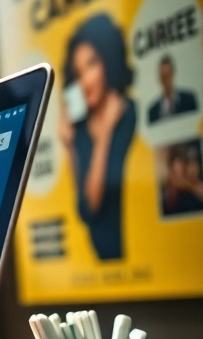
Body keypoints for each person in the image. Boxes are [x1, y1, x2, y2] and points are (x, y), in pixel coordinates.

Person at [59, 13, 137, 260]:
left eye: (92, 64)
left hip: (136, 256)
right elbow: (87, 209)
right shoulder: (82, 130)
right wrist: (70, 146)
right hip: (99, 264)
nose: (85, 81)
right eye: (78, 72)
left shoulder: (129, 114)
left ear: (108, 59)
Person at [148, 54, 198, 124]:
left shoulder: (189, 100)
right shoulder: (153, 111)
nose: (166, 81)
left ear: (173, 75)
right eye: (164, 77)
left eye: (168, 76)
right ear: (159, 78)